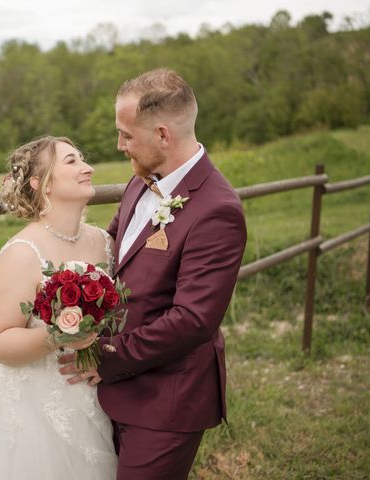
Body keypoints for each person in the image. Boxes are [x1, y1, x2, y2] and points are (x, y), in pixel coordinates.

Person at [60, 67, 247, 479]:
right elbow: (110, 251)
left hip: (167, 398)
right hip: (113, 389)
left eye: (127, 135)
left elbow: (193, 320)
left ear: (163, 135)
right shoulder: (140, 182)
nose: (119, 145)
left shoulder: (218, 210)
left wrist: (105, 358)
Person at [0, 135, 118, 479]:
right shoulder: (22, 252)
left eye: (83, 160)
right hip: (31, 406)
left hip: (90, 396)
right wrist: (58, 335)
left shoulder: (104, 243)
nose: (87, 168)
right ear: (41, 183)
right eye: (72, 162)